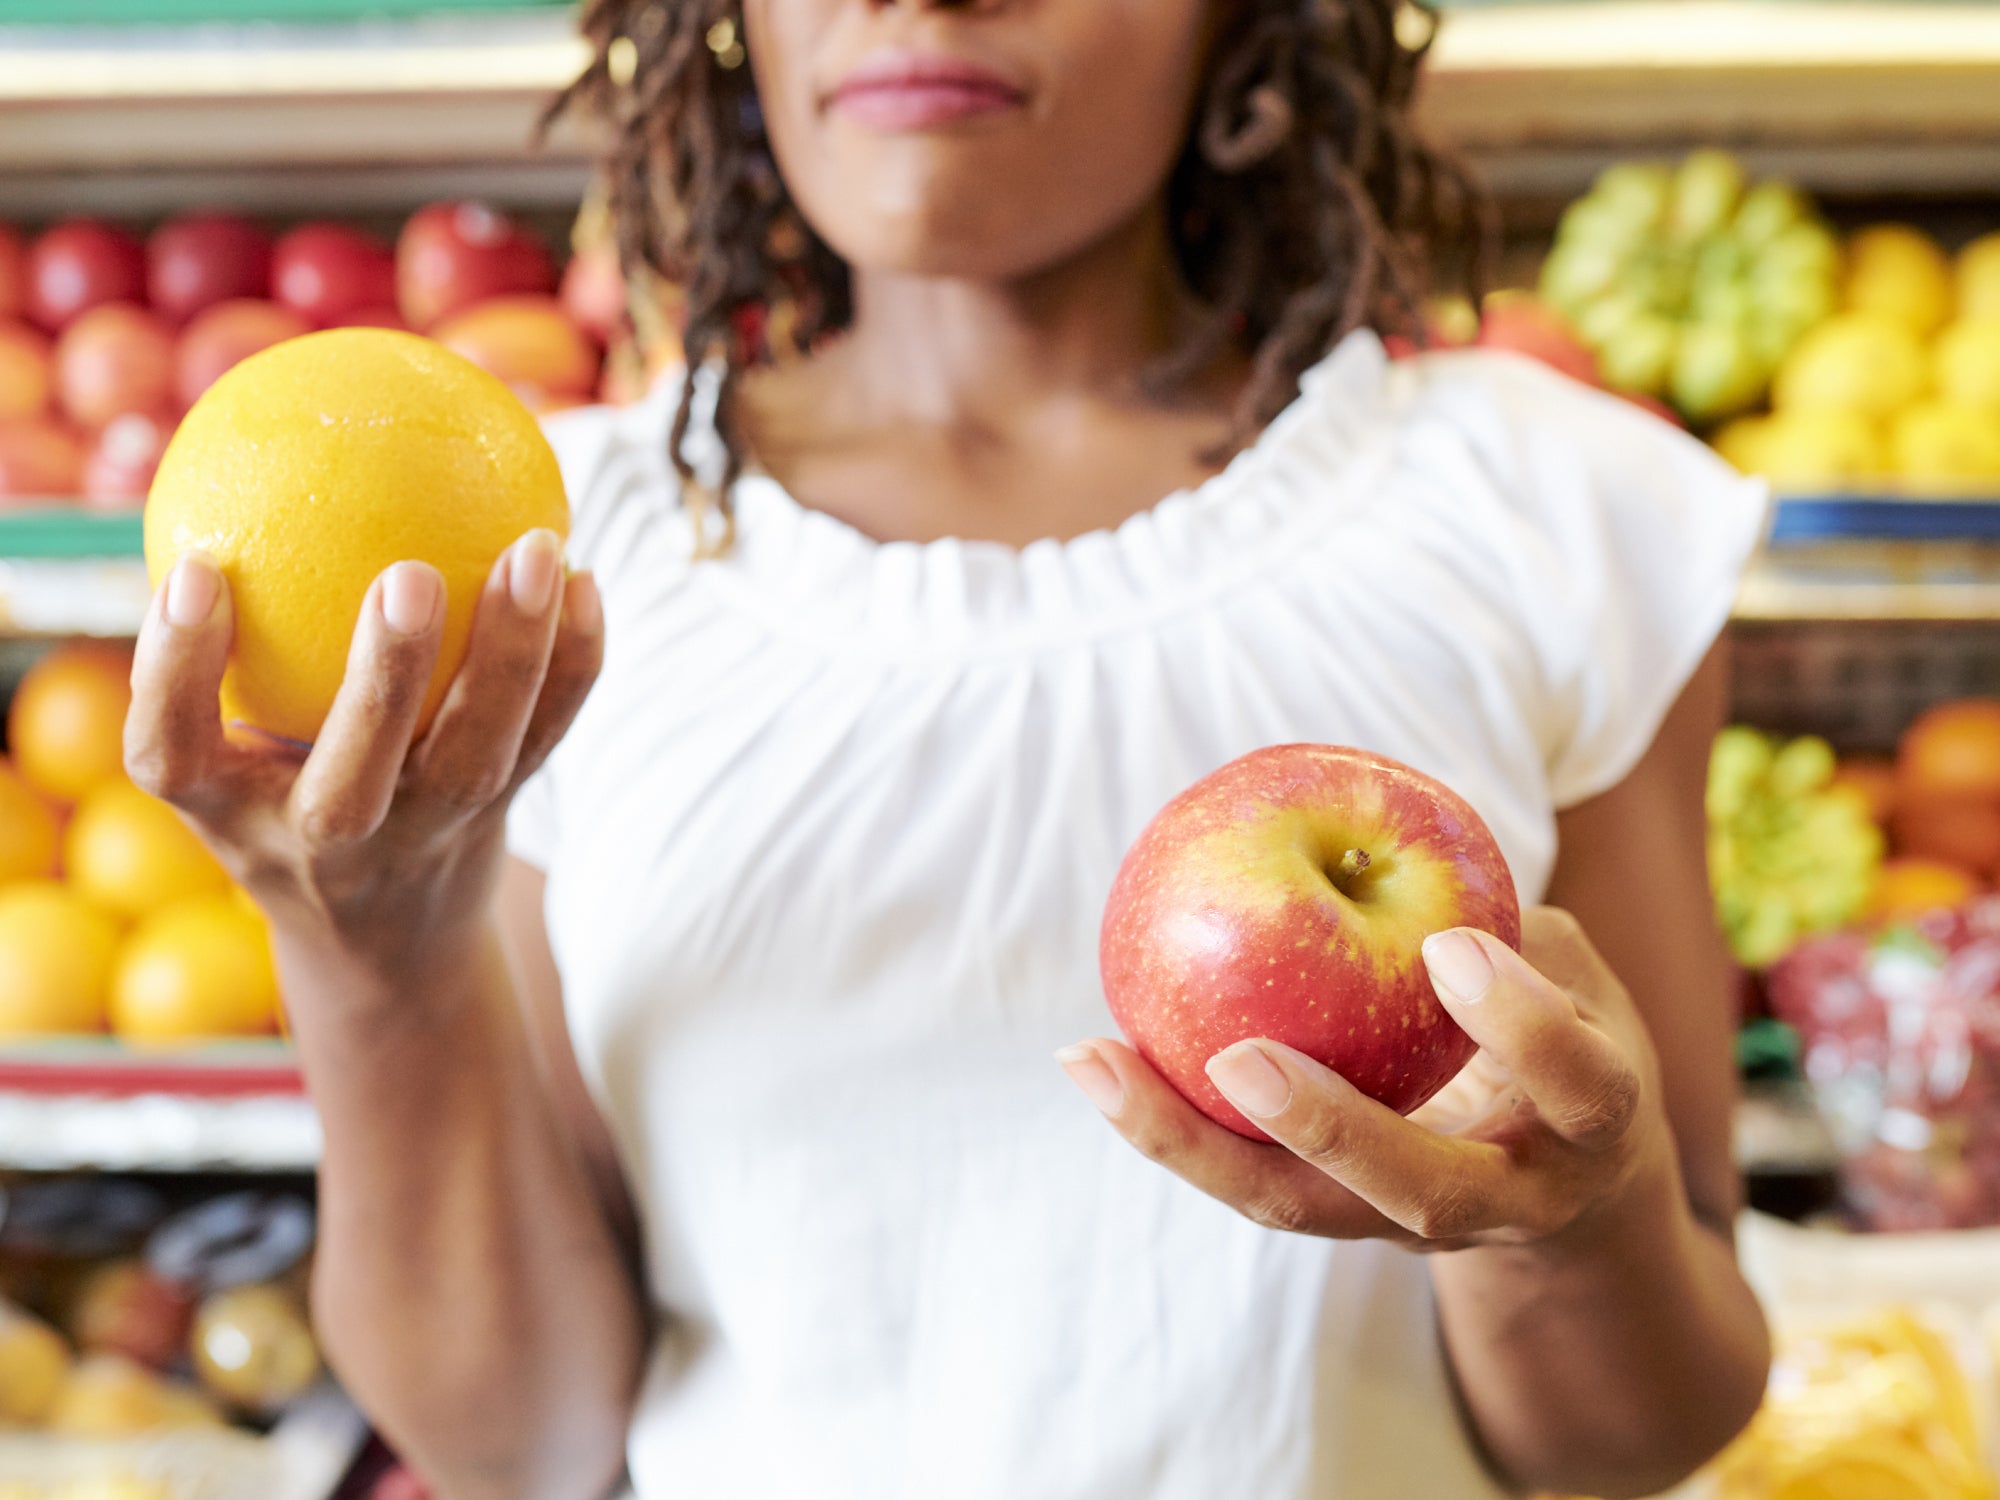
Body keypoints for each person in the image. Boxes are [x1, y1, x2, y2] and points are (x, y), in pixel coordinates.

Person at [126, 1, 1775, 1496]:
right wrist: (378, 959)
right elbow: (525, 1445)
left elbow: (1635, 1439)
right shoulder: (545, 570)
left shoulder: (1556, 515)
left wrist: (1576, 1218)